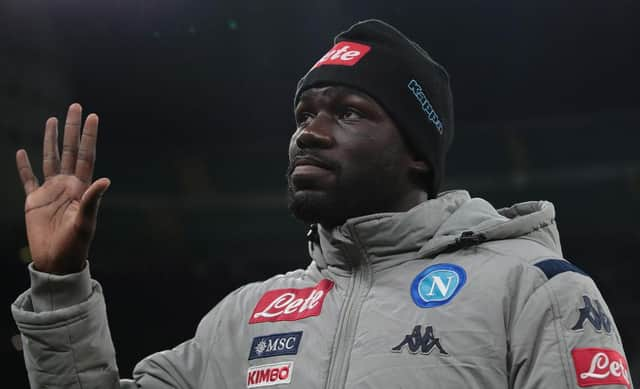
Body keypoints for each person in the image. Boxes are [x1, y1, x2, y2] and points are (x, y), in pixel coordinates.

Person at [12, 19, 633, 389]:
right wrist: (62, 285)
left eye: (349, 112)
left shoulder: (533, 289)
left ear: (417, 152)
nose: (309, 131)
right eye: (304, 113)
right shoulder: (248, 317)